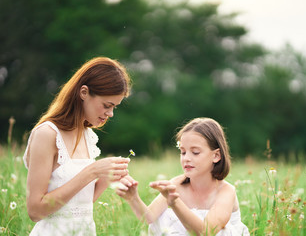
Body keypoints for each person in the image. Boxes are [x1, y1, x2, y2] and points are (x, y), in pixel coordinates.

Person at [23, 57, 132, 236]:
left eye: (115, 107)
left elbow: (80, 205)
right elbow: (35, 211)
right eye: (107, 105)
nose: (110, 113)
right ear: (84, 92)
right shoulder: (47, 134)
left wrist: (106, 178)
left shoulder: (88, 136)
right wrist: (92, 172)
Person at [116, 117, 250, 235]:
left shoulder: (226, 191)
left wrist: (174, 202)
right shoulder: (176, 184)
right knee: (162, 219)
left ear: (216, 156)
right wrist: (133, 198)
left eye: (195, 152)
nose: (186, 158)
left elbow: (207, 232)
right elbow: (149, 218)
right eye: (183, 152)